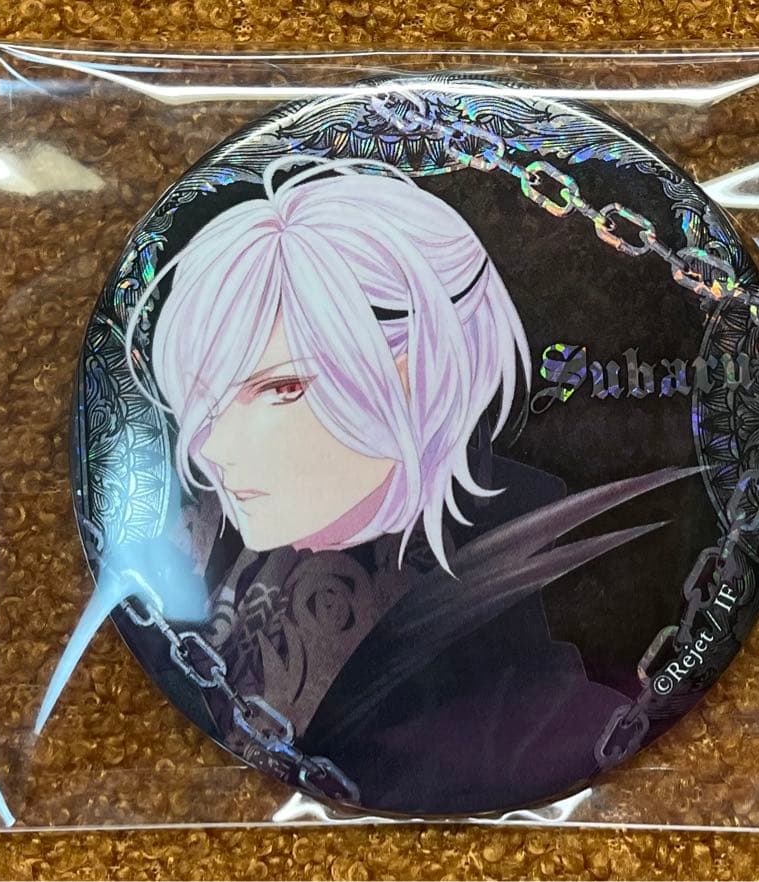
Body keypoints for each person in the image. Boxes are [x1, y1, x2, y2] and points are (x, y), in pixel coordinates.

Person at [112, 156, 695, 814]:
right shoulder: (211, 550)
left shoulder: (513, 601)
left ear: (413, 370)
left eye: (280, 388)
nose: (211, 447)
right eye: (207, 398)